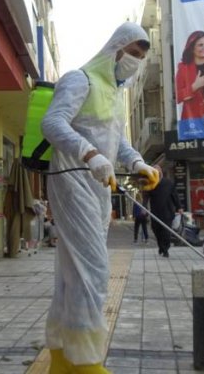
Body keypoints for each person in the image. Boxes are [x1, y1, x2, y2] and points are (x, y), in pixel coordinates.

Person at [40, 22, 160, 374]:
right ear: (116, 49)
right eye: (133, 54)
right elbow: (53, 122)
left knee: (71, 274)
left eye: (141, 57)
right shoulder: (80, 80)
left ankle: (62, 359)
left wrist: (137, 162)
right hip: (72, 181)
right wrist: (90, 154)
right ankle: (87, 362)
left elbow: (117, 140)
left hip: (98, 188)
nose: (135, 62)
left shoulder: (113, 93)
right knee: (93, 270)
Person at [147, 165, 182, 258]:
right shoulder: (150, 184)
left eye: (158, 172)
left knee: (166, 232)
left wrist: (179, 207)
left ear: (161, 173)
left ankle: (165, 249)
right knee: (156, 231)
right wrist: (144, 208)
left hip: (167, 212)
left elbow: (175, 196)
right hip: (155, 212)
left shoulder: (169, 183)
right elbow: (145, 197)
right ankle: (161, 246)